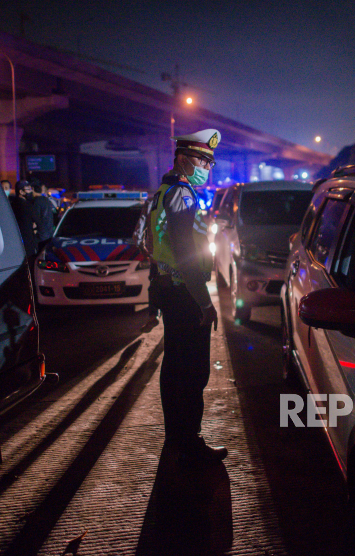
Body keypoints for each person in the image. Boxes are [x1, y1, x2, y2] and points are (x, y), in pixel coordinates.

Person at [149, 128, 226, 465]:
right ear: (182, 158)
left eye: (210, 162)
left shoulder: (162, 192)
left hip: (171, 290)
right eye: (201, 159)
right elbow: (185, 254)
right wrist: (205, 303)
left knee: (175, 367)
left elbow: (151, 246)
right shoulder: (182, 194)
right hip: (185, 294)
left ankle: (176, 440)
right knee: (193, 371)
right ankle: (189, 441)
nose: (206, 167)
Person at [133, 194, 160, 332]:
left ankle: (153, 316)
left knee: (154, 287)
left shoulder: (151, 202)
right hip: (177, 257)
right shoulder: (183, 198)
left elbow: (138, 231)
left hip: (156, 256)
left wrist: (142, 249)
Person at [21, 179, 55, 252]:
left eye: (30, 189)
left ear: (32, 189)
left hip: (40, 237)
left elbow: (35, 220)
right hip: (49, 235)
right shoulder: (47, 200)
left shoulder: (36, 202)